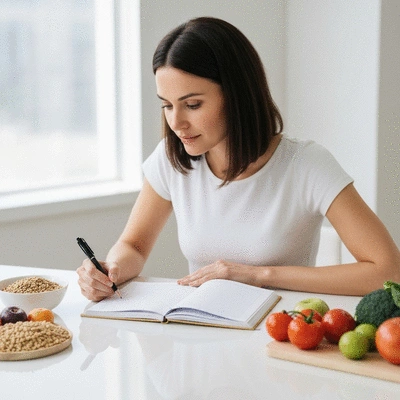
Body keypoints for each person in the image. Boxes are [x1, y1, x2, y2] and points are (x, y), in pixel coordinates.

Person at [77, 17, 400, 301]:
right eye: (167, 105)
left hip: (281, 336)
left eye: (192, 105)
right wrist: (111, 270)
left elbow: (388, 272)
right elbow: (133, 245)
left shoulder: (305, 164)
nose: (176, 123)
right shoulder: (170, 159)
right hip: (203, 332)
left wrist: (257, 275)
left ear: (237, 95)